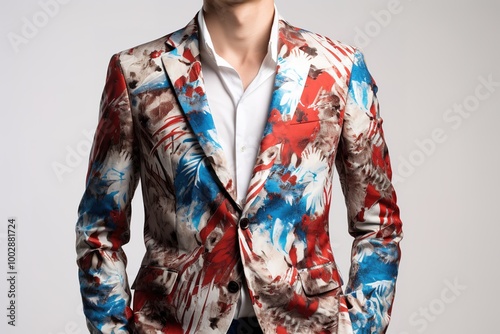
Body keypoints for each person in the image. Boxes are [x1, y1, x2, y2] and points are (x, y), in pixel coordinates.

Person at [75, 0, 403, 333]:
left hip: (305, 323)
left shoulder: (339, 68)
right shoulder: (137, 72)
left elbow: (379, 223)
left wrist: (363, 325)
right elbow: (98, 230)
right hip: (178, 323)